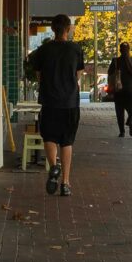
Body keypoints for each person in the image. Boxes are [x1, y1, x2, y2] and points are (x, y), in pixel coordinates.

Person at [28, 14, 86, 195]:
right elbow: (78, 75)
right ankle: (66, 184)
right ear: (68, 29)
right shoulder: (76, 49)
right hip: (69, 102)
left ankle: (54, 167)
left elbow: (39, 76)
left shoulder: (43, 50)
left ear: (53, 29)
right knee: (67, 142)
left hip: (49, 101)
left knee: (49, 138)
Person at [107, 43, 132, 137]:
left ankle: (122, 132)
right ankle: (130, 121)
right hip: (130, 89)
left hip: (118, 90)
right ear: (129, 50)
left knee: (119, 111)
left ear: (120, 50)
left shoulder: (116, 61)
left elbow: (110, 73)